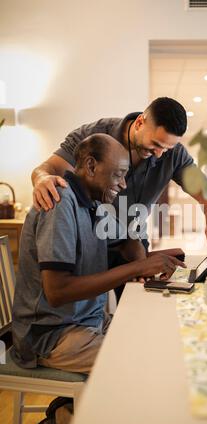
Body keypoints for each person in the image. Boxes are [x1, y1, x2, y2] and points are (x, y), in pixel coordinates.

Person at [12, 133, 184, 375]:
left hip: (88, 321)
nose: (123, 184)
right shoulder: (59, 202)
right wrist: (137, 268)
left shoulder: (94, 205)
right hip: (51, 335)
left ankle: (68, 409)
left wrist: (151, 260)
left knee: (156, 337)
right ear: (91, 166)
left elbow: (126, 243)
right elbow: (57, 291)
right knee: (147, 361)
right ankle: (68, 411)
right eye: (118, 174)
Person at [31, 97, 207, 256]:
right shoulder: (94, 135)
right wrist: (41, 178)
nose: (160, 153)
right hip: (90, 242)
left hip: (133, 245)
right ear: (140, 122)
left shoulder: (173, 154)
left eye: (167, 148)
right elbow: (49, 169)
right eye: (156, 144)